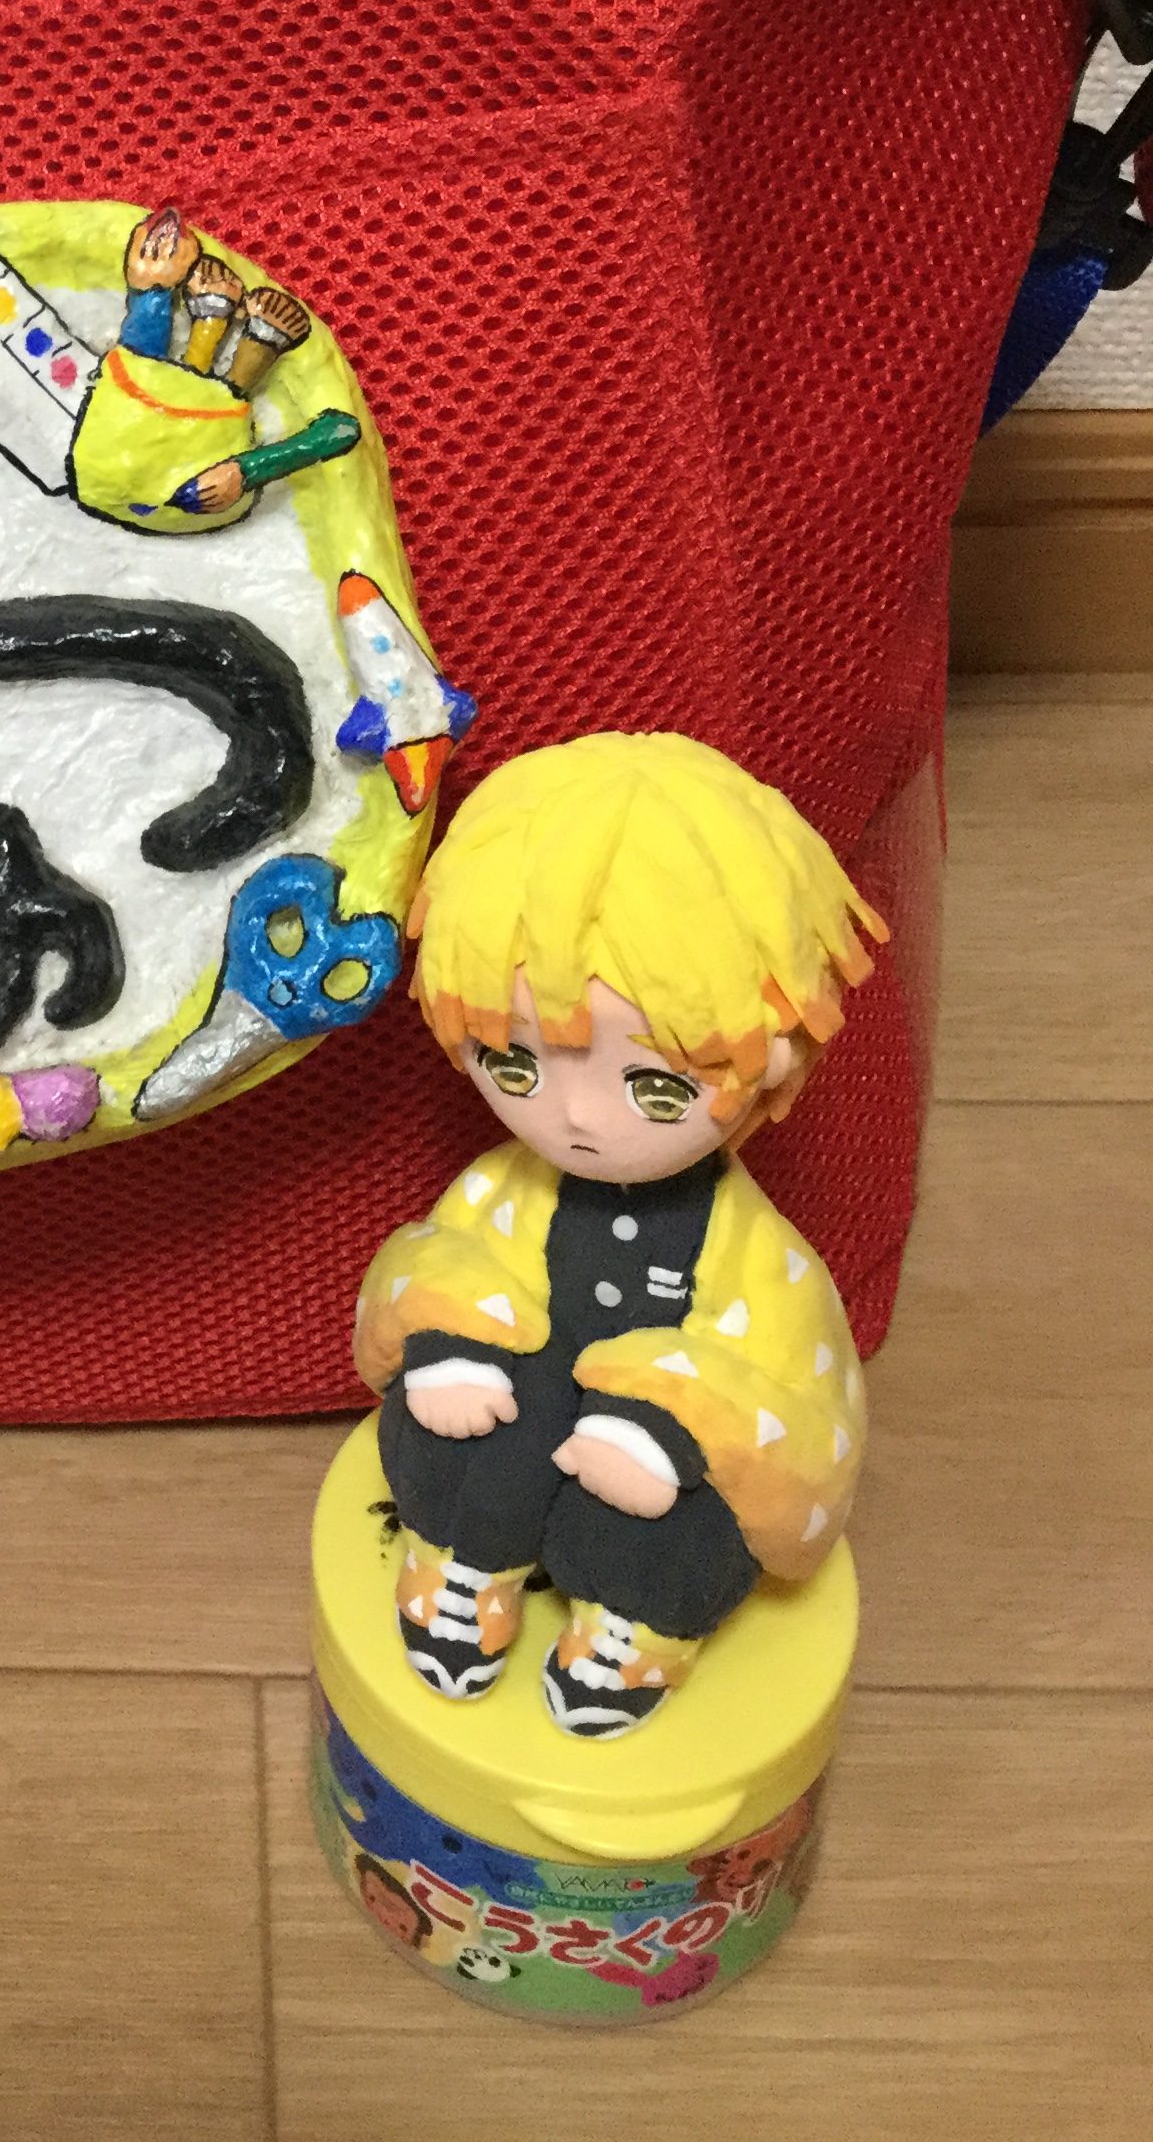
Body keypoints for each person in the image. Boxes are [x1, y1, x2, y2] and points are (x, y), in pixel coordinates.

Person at [354, 731, 885, 1739]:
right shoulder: (501, 1192)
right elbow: (435, 1264)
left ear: (772, 1058)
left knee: (672, 1526)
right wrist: (449, 1344)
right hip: (519, 1427)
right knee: (448, 1425)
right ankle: (463, 1566)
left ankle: (636, 1630)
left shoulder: (760, 1256)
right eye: (514, 1066)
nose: (576, 1118)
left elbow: (795, 1406)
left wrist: (675, 1433)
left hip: (650, 1478)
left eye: (656, 1087)